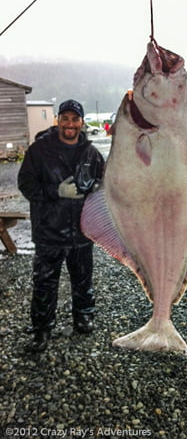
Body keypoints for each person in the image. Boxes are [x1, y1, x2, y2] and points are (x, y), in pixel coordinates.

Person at [18, 99, 105, 352]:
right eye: (65, 118)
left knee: (83, 280)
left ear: (81, 122)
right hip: (49, 232)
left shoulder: (91, 153)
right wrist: (56, 190)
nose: (70, 124)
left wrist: (100, 189)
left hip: (82, 230)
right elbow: (26, 184)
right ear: (58, 120)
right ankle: (42, 330)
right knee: (45, 283)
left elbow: (104, 180)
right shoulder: (39, 150)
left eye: (74, 119)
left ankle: (84, 316)